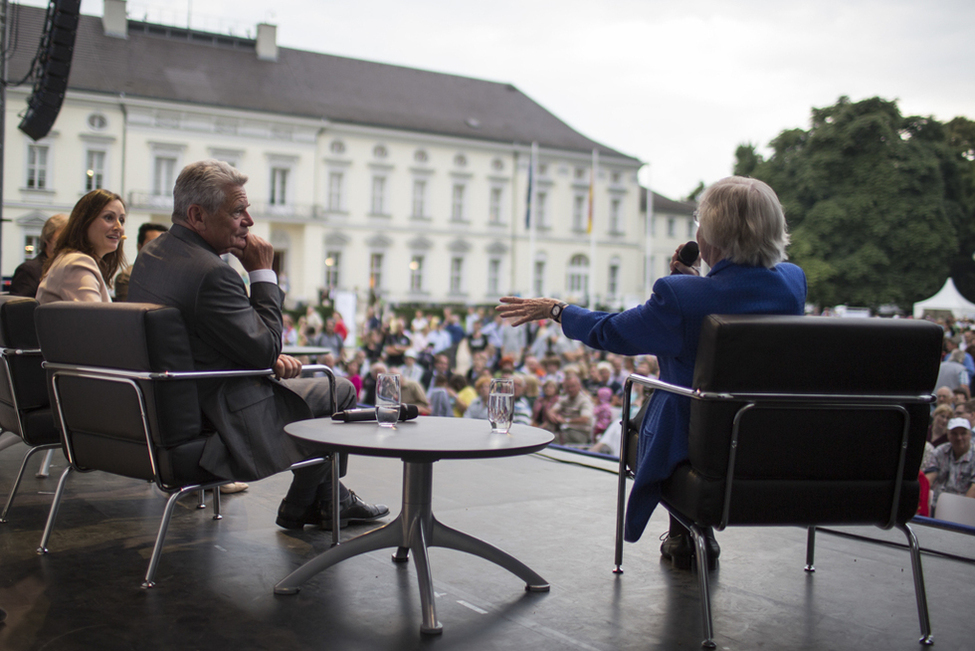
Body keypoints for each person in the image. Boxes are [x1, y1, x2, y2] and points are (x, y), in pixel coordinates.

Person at [497, 176, 806, 569]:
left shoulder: (679, 297)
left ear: (710, 235)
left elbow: (612, 331)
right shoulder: (793, 284)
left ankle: (684, 532)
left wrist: (557, 310)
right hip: (764, 438)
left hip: (699, 441)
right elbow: (737, 299)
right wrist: (695, 286)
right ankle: (690, 535)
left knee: (655, 407)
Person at [127, 159, 387, 530]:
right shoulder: (212, 273)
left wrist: (258, 353)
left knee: (315, 386)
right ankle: (310, 504)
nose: (248, 220)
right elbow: (265, 348)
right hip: (217, 416)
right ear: (197, 215)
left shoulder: (152, 256)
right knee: (337, 388)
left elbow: (202, 336)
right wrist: (263, 272)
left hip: (162, 407)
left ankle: (331, 499)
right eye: (237, 211)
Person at [36, 190, 127, 304]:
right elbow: (97, 319)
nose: (118, 227)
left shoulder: (72, 259)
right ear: (85, 222)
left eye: (122, 220)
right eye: (109, 217)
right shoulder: (77, 263)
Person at [9, 213, 67, 297]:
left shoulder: (66, 267)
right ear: (47, 239)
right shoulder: (28, 270)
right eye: (61, 239)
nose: (66, 243)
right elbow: (18, 308)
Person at [924, 417, 975, 511]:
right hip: (937, 504)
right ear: (948, 435)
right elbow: (930, 477)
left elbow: (974, 488)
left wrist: (962, 509)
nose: (959, 438)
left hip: (964, 506)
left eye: (963, 433)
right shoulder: (940, 451)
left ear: (970, 435)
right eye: (954, 434)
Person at [114, 222, 168, 301]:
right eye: (152, 244)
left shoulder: (173, 275)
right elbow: (131, 310)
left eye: (164, 244)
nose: (160, 248)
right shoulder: (127, 277)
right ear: (139, 246)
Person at [547, 373, 594, 446]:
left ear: (579, 386)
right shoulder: (565, 398)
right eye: (568, 387)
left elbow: (585, 419)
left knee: (550, 440)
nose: (570, 389)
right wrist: (552, 415)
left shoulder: (585, 400)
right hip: (564, 430)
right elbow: (553, 410)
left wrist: (566, 421)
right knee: (545, 432)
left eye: (573, 386)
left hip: (579, 433)